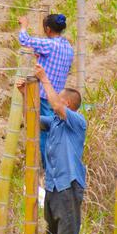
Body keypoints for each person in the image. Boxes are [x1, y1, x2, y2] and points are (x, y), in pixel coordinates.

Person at [19, 63, 86, 234]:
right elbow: (32, 120)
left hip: (68, 186)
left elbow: (56, 106)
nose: (53, 98)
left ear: (66, 103)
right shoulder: (55, 122)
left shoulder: (77, 122)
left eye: (58, 97)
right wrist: (24, 95)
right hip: (52, 186)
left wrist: (44, 78)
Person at [18, 14, 73, 170]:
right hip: (57, 97)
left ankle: (47, 169)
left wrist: (23, 25)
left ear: (48, 29)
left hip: (43, 96)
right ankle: (52, 166)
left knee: (43, 133)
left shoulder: (50, 45)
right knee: (53, 132)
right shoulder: (68, 47)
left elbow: (24, 40)